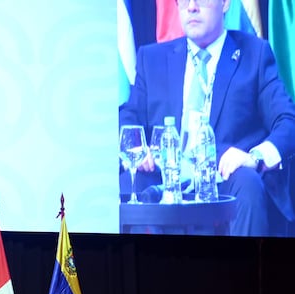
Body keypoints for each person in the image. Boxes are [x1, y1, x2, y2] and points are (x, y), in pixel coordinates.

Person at [120, 0, 295, 236]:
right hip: (165, 175)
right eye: (184, 1)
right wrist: (137, 147)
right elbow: (129, 115)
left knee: (249, 184)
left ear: (225, 4)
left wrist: (254, 157)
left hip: (226, 178)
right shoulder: (152, 58)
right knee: (125, 185)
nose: (191, 7)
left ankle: (244, 271)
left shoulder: (254, 54)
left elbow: (287, 119)